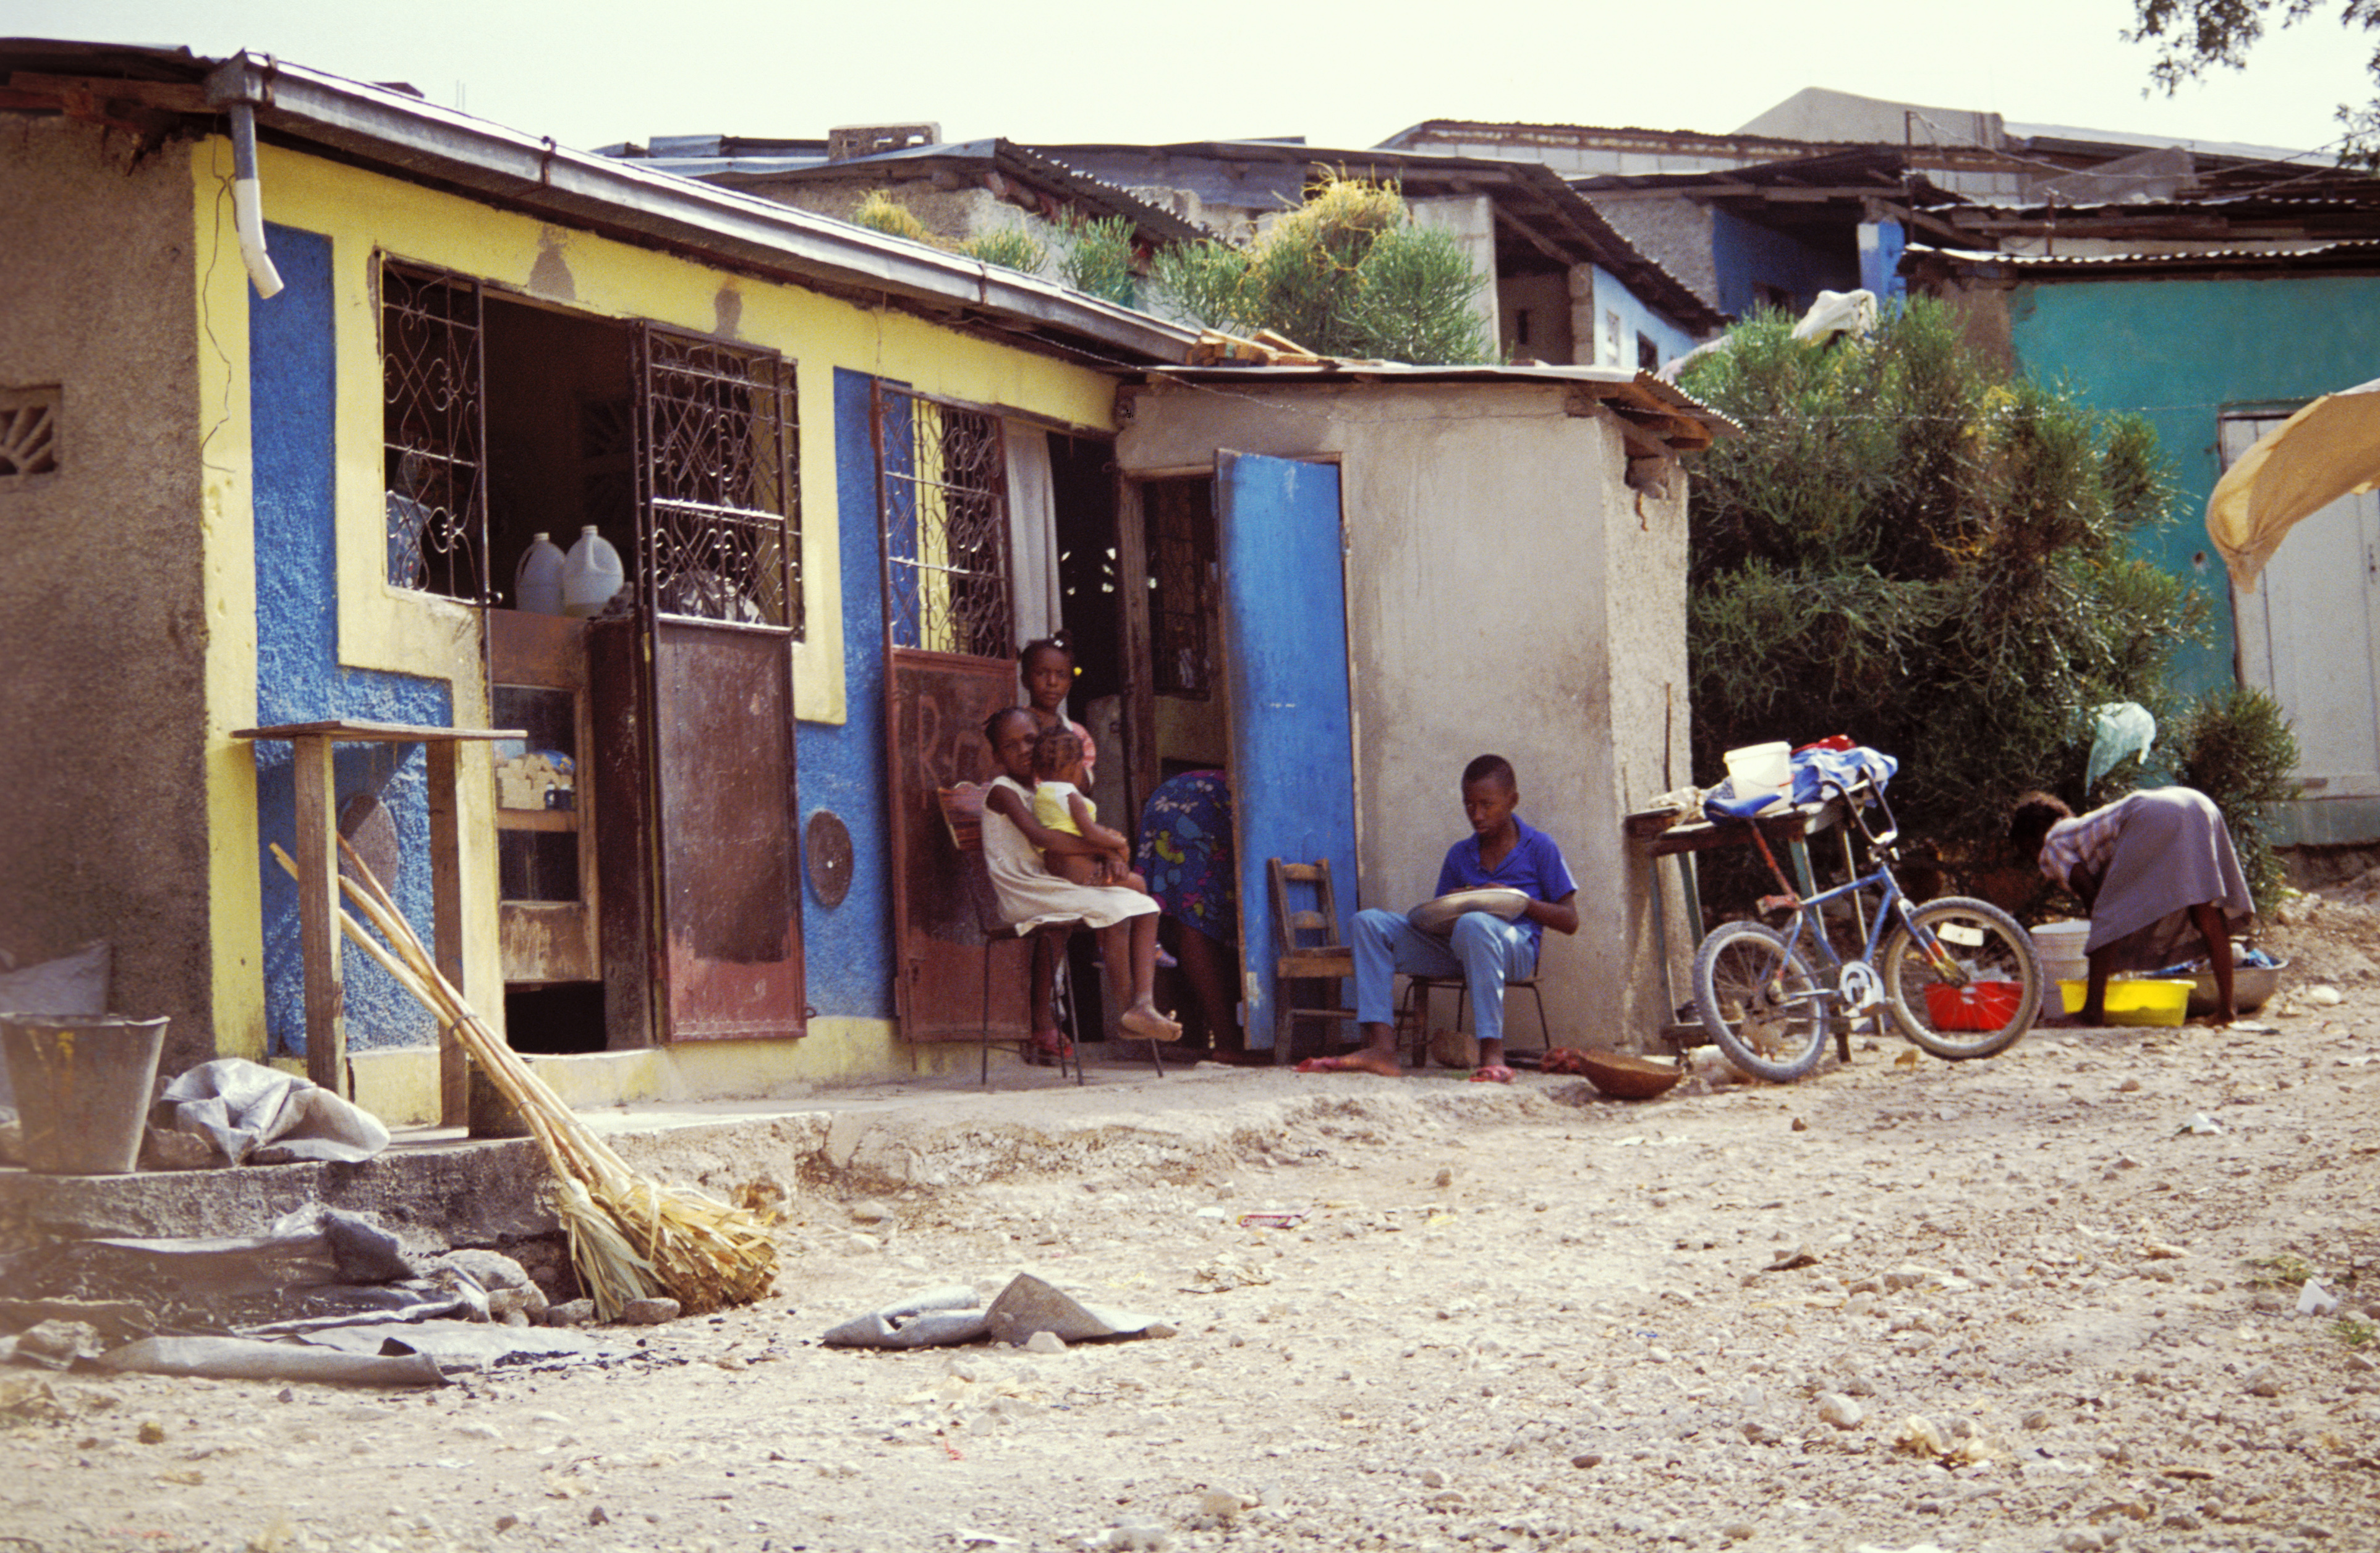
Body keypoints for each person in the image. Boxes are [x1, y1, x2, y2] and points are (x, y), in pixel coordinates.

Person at [1299, 754, 1579, 1082]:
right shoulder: (1460, 853)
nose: (1477, 815)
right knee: (1368, 923)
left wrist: (1516, 901)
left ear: (1512, 801)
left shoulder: (1539, 847)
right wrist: (1454, 903)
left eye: (1487, 805)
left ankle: (1492, 1052)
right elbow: (1439, 919)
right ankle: (1383, 1050)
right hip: (1459, 948)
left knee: (1475, 924)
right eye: (1469, 805)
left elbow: (1570, 921)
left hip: (1514, 952)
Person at [979, 708, 1179, 1058]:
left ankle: (1141, 1005)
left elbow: (1071, 836)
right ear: (997, 757)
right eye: (1012, 746)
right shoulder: (1003, 791)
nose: (1025, 750)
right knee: (1115, 908)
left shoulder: (1051, 792)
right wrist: (1108, 845)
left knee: (1145, 904)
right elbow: (1046, 839)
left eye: (1030, 739)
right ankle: (1127, 1010)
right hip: (1024, 889)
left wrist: (1109, 856)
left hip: (1054, 883)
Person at [2009, 787, 2253, 1027]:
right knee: (2206, 911)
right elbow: (2134, 901)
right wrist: (2115, 954)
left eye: (2028, 853)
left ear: (2031, 844)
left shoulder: (2051, 843)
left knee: (2106, 916)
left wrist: (2103, 943)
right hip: (2198, 803)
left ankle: (2092, 1012)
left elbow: (2093, 898)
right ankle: (2226, 1010)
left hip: (2150, 813)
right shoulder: (2081, 828)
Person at [1136, 769, 1248, 1061]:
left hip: (1176, 800)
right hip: (1197, 804)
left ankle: (1209, 1037)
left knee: (1184, 914)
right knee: (1194, 915)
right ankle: (1227, 1042)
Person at [1031, 727, 1145, 892]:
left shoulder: (1041, 794)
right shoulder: (1071, 795)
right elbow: (1090, 833)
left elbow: (1066, 827)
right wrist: (1119, 842)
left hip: (1055, 868)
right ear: (1077, 766)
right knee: (1139, 884)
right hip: (1081, 871)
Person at [1019, 635, 1096, 785]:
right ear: (1025, 679)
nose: (1052, 682)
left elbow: (1086, 783)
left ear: (1069, 684)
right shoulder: (1014, 727)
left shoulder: (1077, 734)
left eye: (1061, 675)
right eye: (1042, 673)